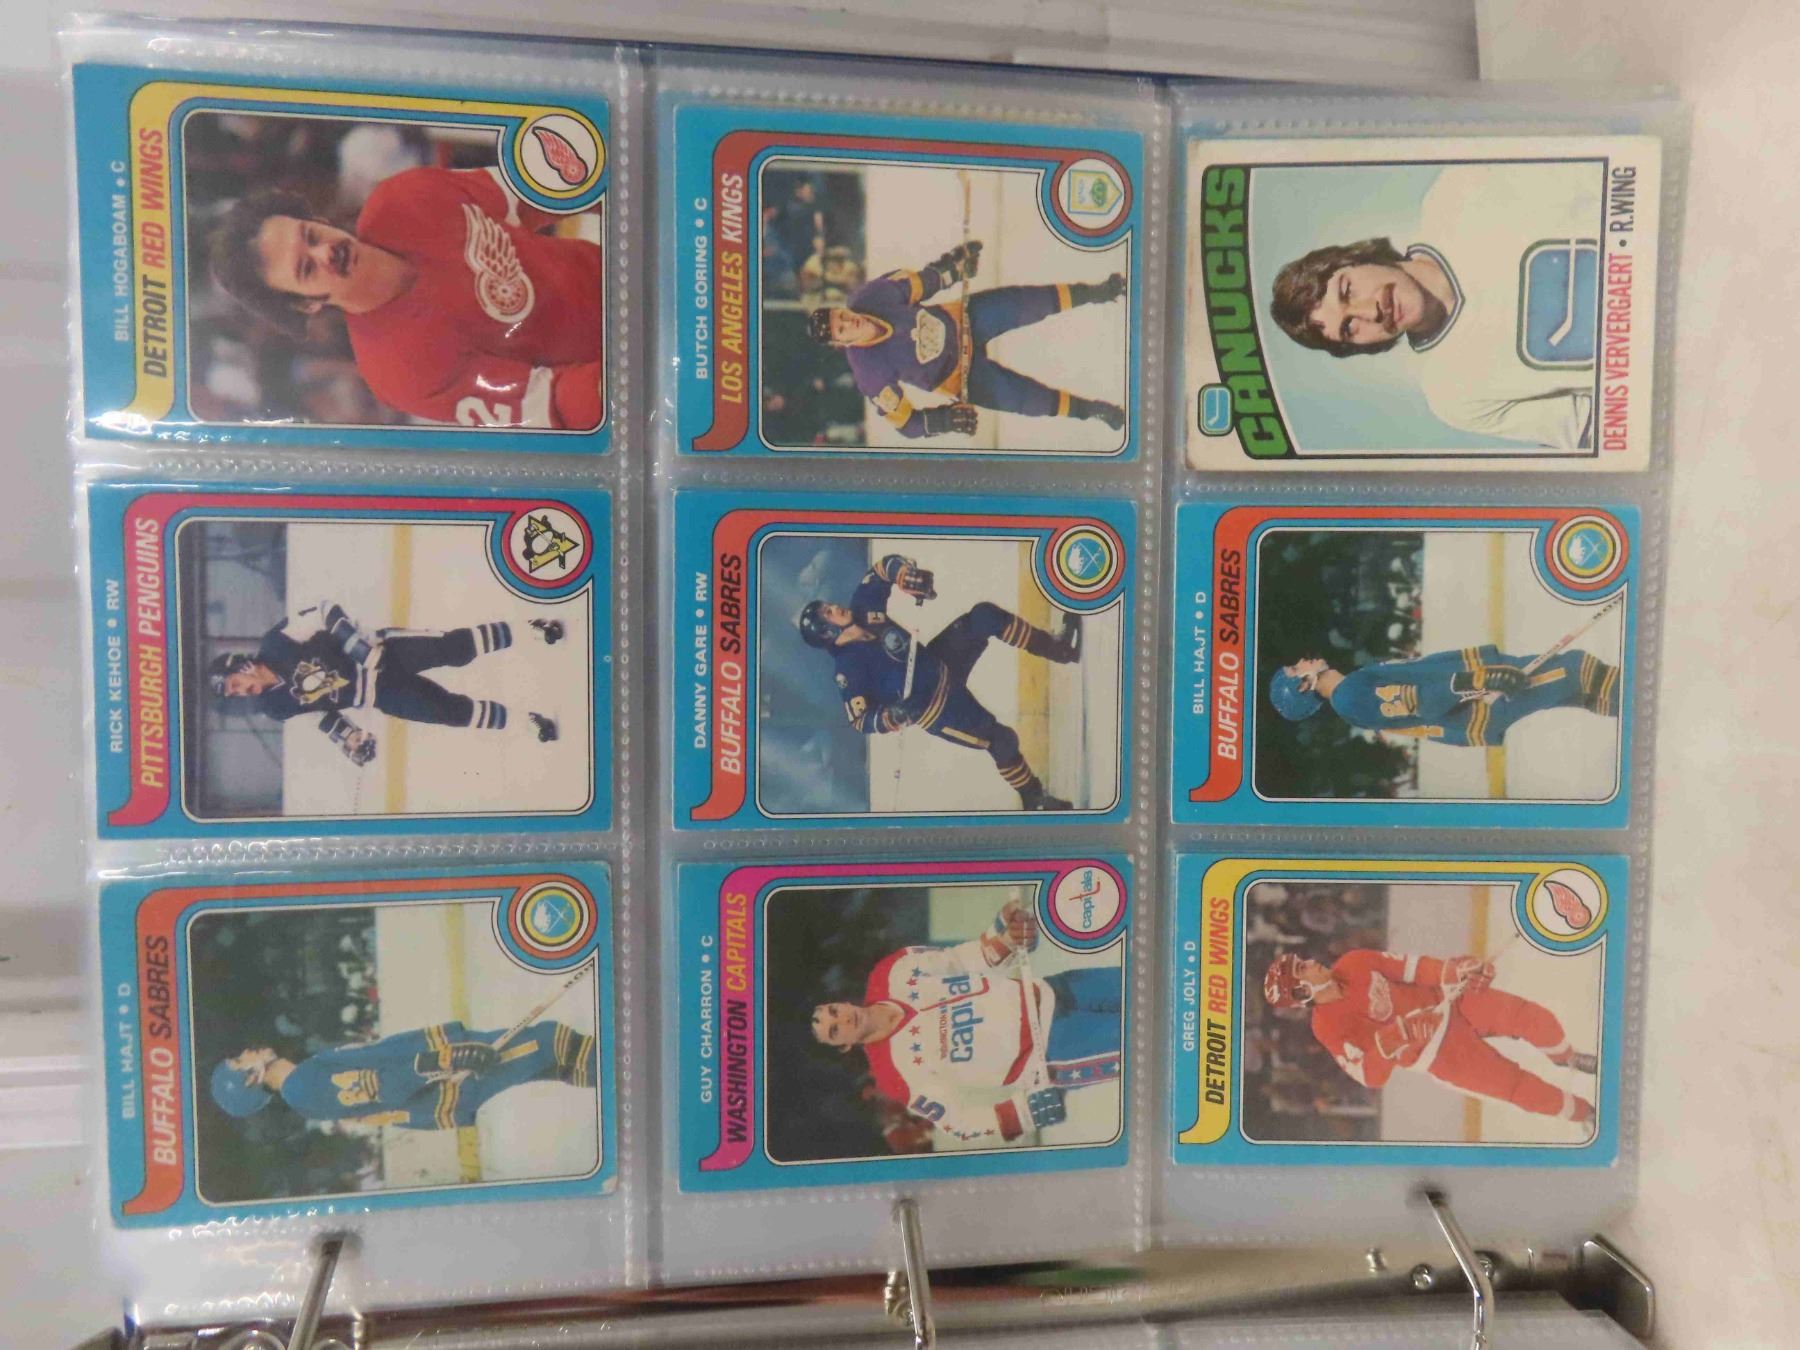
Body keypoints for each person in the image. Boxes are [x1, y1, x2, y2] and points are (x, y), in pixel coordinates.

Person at [208, 166, 602, 429]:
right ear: (306, 304)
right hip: (617, 365)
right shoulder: (400, 374)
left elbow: (549, 188)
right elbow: (555, 403)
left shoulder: (403, 196)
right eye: (307, 269)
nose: (326, 252)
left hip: (626, 266)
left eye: (311, 235)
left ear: (319, 220)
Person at [1268, 161, 1603, 448]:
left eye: (1347, 291)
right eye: (1349, 328)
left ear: (1357, 258)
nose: (1370, 312)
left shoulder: (1458, 193)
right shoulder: (1453, 395)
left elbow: (1605, 172)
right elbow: (1597, 431)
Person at [810, 898, 1121, 1145]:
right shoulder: (893, 1075)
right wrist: (1022, 1114)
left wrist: (1006, 937)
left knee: (1145, 985)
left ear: (841, 1002)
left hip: (1057, 988)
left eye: (833, 1011)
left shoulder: (890, 972)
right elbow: (958, 1123)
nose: (843, 1019)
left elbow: (959, 960)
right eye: (835, 1031)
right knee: (1146, 1039)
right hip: (1055, 1048)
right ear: (844, 1046)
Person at [797, 554, 1080, 810]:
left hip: (942, 663)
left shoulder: (863, 606)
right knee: (1001, 740)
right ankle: (1034, 798)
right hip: (938, 709)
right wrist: (890, 717)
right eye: (828, 613)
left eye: (828, 606)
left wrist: (904, 575)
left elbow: (881, 570)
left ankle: (1061, 649)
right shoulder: (848, 671)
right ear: (828, 632)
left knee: (984, 617)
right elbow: (860, 719)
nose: (834, 607)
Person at [808, 240, 1126, 440]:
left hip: (963, 321)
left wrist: (952, 269)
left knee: (1028, 301)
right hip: (960, 375)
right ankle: (1093, 410)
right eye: (842, 330)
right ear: (841, 344)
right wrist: (944, 420)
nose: (848, 322)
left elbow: (922, 283)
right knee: (1028, 400)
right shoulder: (869, 372)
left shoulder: (871, 296)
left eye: (841, 316)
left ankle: (1098, 292)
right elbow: (907, 425)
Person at [1263, 950, 1597, 1128]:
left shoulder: (1354, 961)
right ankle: (1585, 1113)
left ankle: (1566, 1057)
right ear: (1302, 992)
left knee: (1532, 1017)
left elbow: (1412, 968)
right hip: (1441, 1054)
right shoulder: (1327, 1027)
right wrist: (1395, 1040)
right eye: (1302, 969)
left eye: (1302, 960)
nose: (1310, 961)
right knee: (1517, 1087)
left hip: (1452, 1001)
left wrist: (1455, 971)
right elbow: (1368, 1075)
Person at [208, 600, 564, 766]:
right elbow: (321, 717)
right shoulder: (274, 707)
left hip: (388, 652)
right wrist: (350, 741)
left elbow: (323, 611)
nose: (240, 694)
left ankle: (531, 630)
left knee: (456, 649)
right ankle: (526, 722)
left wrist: (355, 645)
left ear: (238, 665)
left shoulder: (275, 642)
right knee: (451, 713)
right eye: (234, 695)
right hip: (382, 694)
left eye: (234, 685)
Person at [209, 1019, 596, 1129]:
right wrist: (444, 1061)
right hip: (445, 1077)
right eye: (240, 1061)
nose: (246, 1053)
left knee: (554, 1063)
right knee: (550, 1043)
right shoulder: (303, 1087)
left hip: (441, 1073)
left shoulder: (304, 1080)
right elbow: (381, 1088)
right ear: (250, 1079)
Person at [1267, 643, 1620, 748]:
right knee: (1576, 670)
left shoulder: (1350, 691)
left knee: (1576, 690)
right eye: (1296, 669)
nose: (1302, 660)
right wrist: (1481, 679)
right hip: (1482, 700)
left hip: (1479, 694)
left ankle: (1633, 709)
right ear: (1303, 685)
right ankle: (1642, 699)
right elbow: (1422, 702)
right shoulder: (1349, 696)